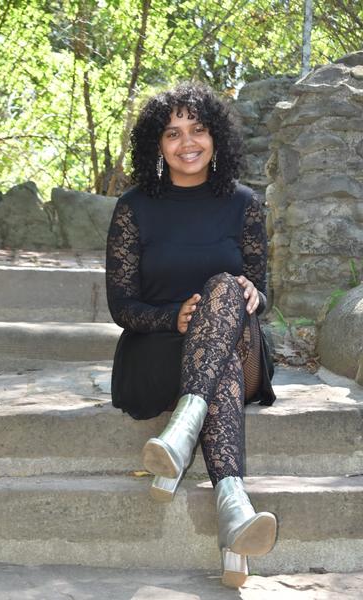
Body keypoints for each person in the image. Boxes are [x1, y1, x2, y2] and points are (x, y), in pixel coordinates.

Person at [105, 81, 277, 589]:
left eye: (198, 130)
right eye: (173, 133)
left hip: (236, 347)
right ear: (156, 145)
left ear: (215, 137)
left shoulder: (244, 204)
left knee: (227, 288)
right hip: (154, 357)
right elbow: (122, 306)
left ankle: (182, 434)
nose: (187, 143)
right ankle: (234, 510)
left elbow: (260, 294)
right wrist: (172, 317)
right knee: (218, 368)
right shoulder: (134, 208)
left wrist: (252, 295)